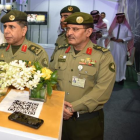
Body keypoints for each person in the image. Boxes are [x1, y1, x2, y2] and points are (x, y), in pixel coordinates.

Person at [50, 12, 116, 140]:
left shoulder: (102, 56)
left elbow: (102, 91)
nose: (69, 33)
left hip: (86, 121)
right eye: (68, 28)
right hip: (58, 116)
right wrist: (58, 102)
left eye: (75, 29)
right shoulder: (60, 52)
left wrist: (72, 107)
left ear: (88, 32)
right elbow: (49, 79)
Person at [105, 13, 133, 84]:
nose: (120, 19)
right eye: (119, 18)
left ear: (123, 18)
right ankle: (112, 78)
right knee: (113, 62)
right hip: (113, 46)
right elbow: (108, 35)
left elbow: (130, 36)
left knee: (121, 62)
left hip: (122, 47)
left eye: (121, 18)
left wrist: (122, 40)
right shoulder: (112, 27)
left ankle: (121, 78)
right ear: (116, 19)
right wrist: (111, 38)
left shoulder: (126, 27)